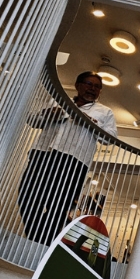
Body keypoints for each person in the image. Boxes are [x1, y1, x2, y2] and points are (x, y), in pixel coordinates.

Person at [18, 71, 117, 243]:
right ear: (78, 85)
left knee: (59, 205)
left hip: (75, 161)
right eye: (88, 83)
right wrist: (48, 114)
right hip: (44, 154)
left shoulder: (105, 112)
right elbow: (32, 120)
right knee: (27, 195)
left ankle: (39, 242)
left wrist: (90, 123)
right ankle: (38, 238)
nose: (92, 89)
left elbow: (110, 139)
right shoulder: (59, 100)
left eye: (97, 87)